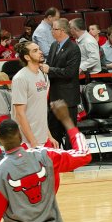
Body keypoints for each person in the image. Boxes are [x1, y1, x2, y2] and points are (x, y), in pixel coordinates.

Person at [42, 19, 81, 149]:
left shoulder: (74, 48)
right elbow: (50, 65)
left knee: (69, 132)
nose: (51, 31)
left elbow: (70, 72)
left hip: (68, 98)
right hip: (54, 97)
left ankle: (71, 162)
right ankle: (56, 160)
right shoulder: (54, 45)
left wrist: (50, 70)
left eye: (54, 29)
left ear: (62, 31)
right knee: (54, 132)